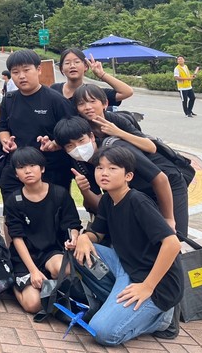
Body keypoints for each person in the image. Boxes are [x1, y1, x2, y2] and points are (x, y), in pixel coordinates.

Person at [74, 146, 183, 345]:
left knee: (101, 332)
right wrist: (83, 239)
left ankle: (162, 320)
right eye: (100, 167)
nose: (104, 173)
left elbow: (172, 244)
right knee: (80, 252)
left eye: (112, 168)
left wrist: (147, 286)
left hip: (156, 283)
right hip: (125, 266)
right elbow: (97, 234)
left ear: (128, 176)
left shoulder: (137, 201)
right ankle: (116, 304)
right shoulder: (108, 199)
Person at [54, 116, 189, 236]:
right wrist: (85, 190)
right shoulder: (79, 163)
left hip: (167, 184)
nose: (78, 148)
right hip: (137, 194)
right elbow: (100, 205)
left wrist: (168, 218)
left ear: (92, 137)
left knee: (174, 235)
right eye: (70, 145)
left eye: (81, 141)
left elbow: (160, 178)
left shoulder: (116, 149)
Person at [4, 147, 82, 313]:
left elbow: (73, 224)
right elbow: (17, 238)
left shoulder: (59, 194)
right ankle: (13, 283)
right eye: (21, 167)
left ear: (42, 168)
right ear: (16, 174)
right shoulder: (14, 201)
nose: (27, 171)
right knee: (33, 305)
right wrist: (33, 271)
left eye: (32, 165)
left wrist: (73, 238)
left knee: (64, 268)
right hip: (24, 257)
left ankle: (48, 284)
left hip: (51, 252)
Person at [0, 49, 75, 199]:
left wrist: (55, 143)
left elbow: (72, 131)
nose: (21, 76)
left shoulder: (56, 100)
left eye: (26, 70)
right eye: (15, 72)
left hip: (51, 169)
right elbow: (2, 126)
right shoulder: (9, 100)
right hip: (17, 169)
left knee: (52, 210)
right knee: (13, 208)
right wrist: (6, 142)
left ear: (38, 70)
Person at [72, 83, 156, 155]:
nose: (87, 107)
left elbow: (151, 147)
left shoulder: (117, 120)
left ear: (105, 103)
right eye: (81, 104)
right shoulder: (80, 127)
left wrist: (117, 132)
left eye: (92, 101)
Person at [51, 48, 133, 109]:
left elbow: (127, 92)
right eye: (67, 63)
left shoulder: (94, 92)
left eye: (77, 62)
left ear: (86, 66)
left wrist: (102, 74)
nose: (72, 66)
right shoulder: (54, 90)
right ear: (62, 69)